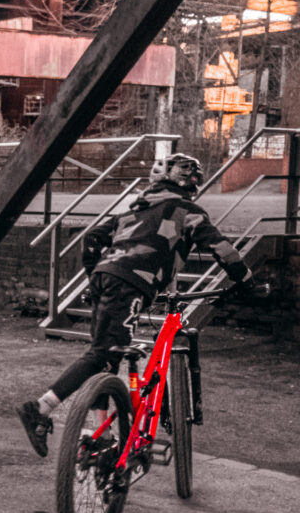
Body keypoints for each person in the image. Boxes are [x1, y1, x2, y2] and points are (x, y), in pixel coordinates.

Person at [17, 152, 253, 457]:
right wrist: (246, 279)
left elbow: (91, 241)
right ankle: (40, 407)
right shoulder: (186, 210)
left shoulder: (131, 214)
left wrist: (96, 279)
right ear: (189, 184)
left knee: (106, 358)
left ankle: (100, 433)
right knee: (102, 353)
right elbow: (220, 247)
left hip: (107, 278)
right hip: (131, 283)